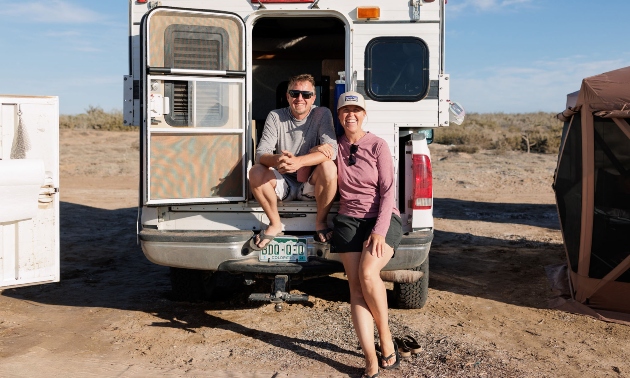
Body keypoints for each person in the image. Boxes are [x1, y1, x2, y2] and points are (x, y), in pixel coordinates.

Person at [330, 91, 403, 378]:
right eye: (345, 110)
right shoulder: (334, 147)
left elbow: (387, 192)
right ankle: (370, 358)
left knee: (369, 274)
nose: (351, 114)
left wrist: (380, 232)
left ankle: (385, 338)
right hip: (348, 219)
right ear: (338, 116)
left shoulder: (378, 145)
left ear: (364, 114)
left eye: (356, 110)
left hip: (382, 218)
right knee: (356, 289)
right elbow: (302, 176)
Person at [248, 74, 338, 249]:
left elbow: (332, 151)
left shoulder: (322, 113)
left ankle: (320, 222)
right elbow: (261, 154)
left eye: (305, 95)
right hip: (283, 182)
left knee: (329, 167)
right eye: (294, 93)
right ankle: (274, 224)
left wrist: (299, 161)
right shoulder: (275, 116)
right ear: (287, 96)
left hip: (310, 184)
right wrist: (278, 159)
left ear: (313, 98)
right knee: (256, 171)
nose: (300, 98)